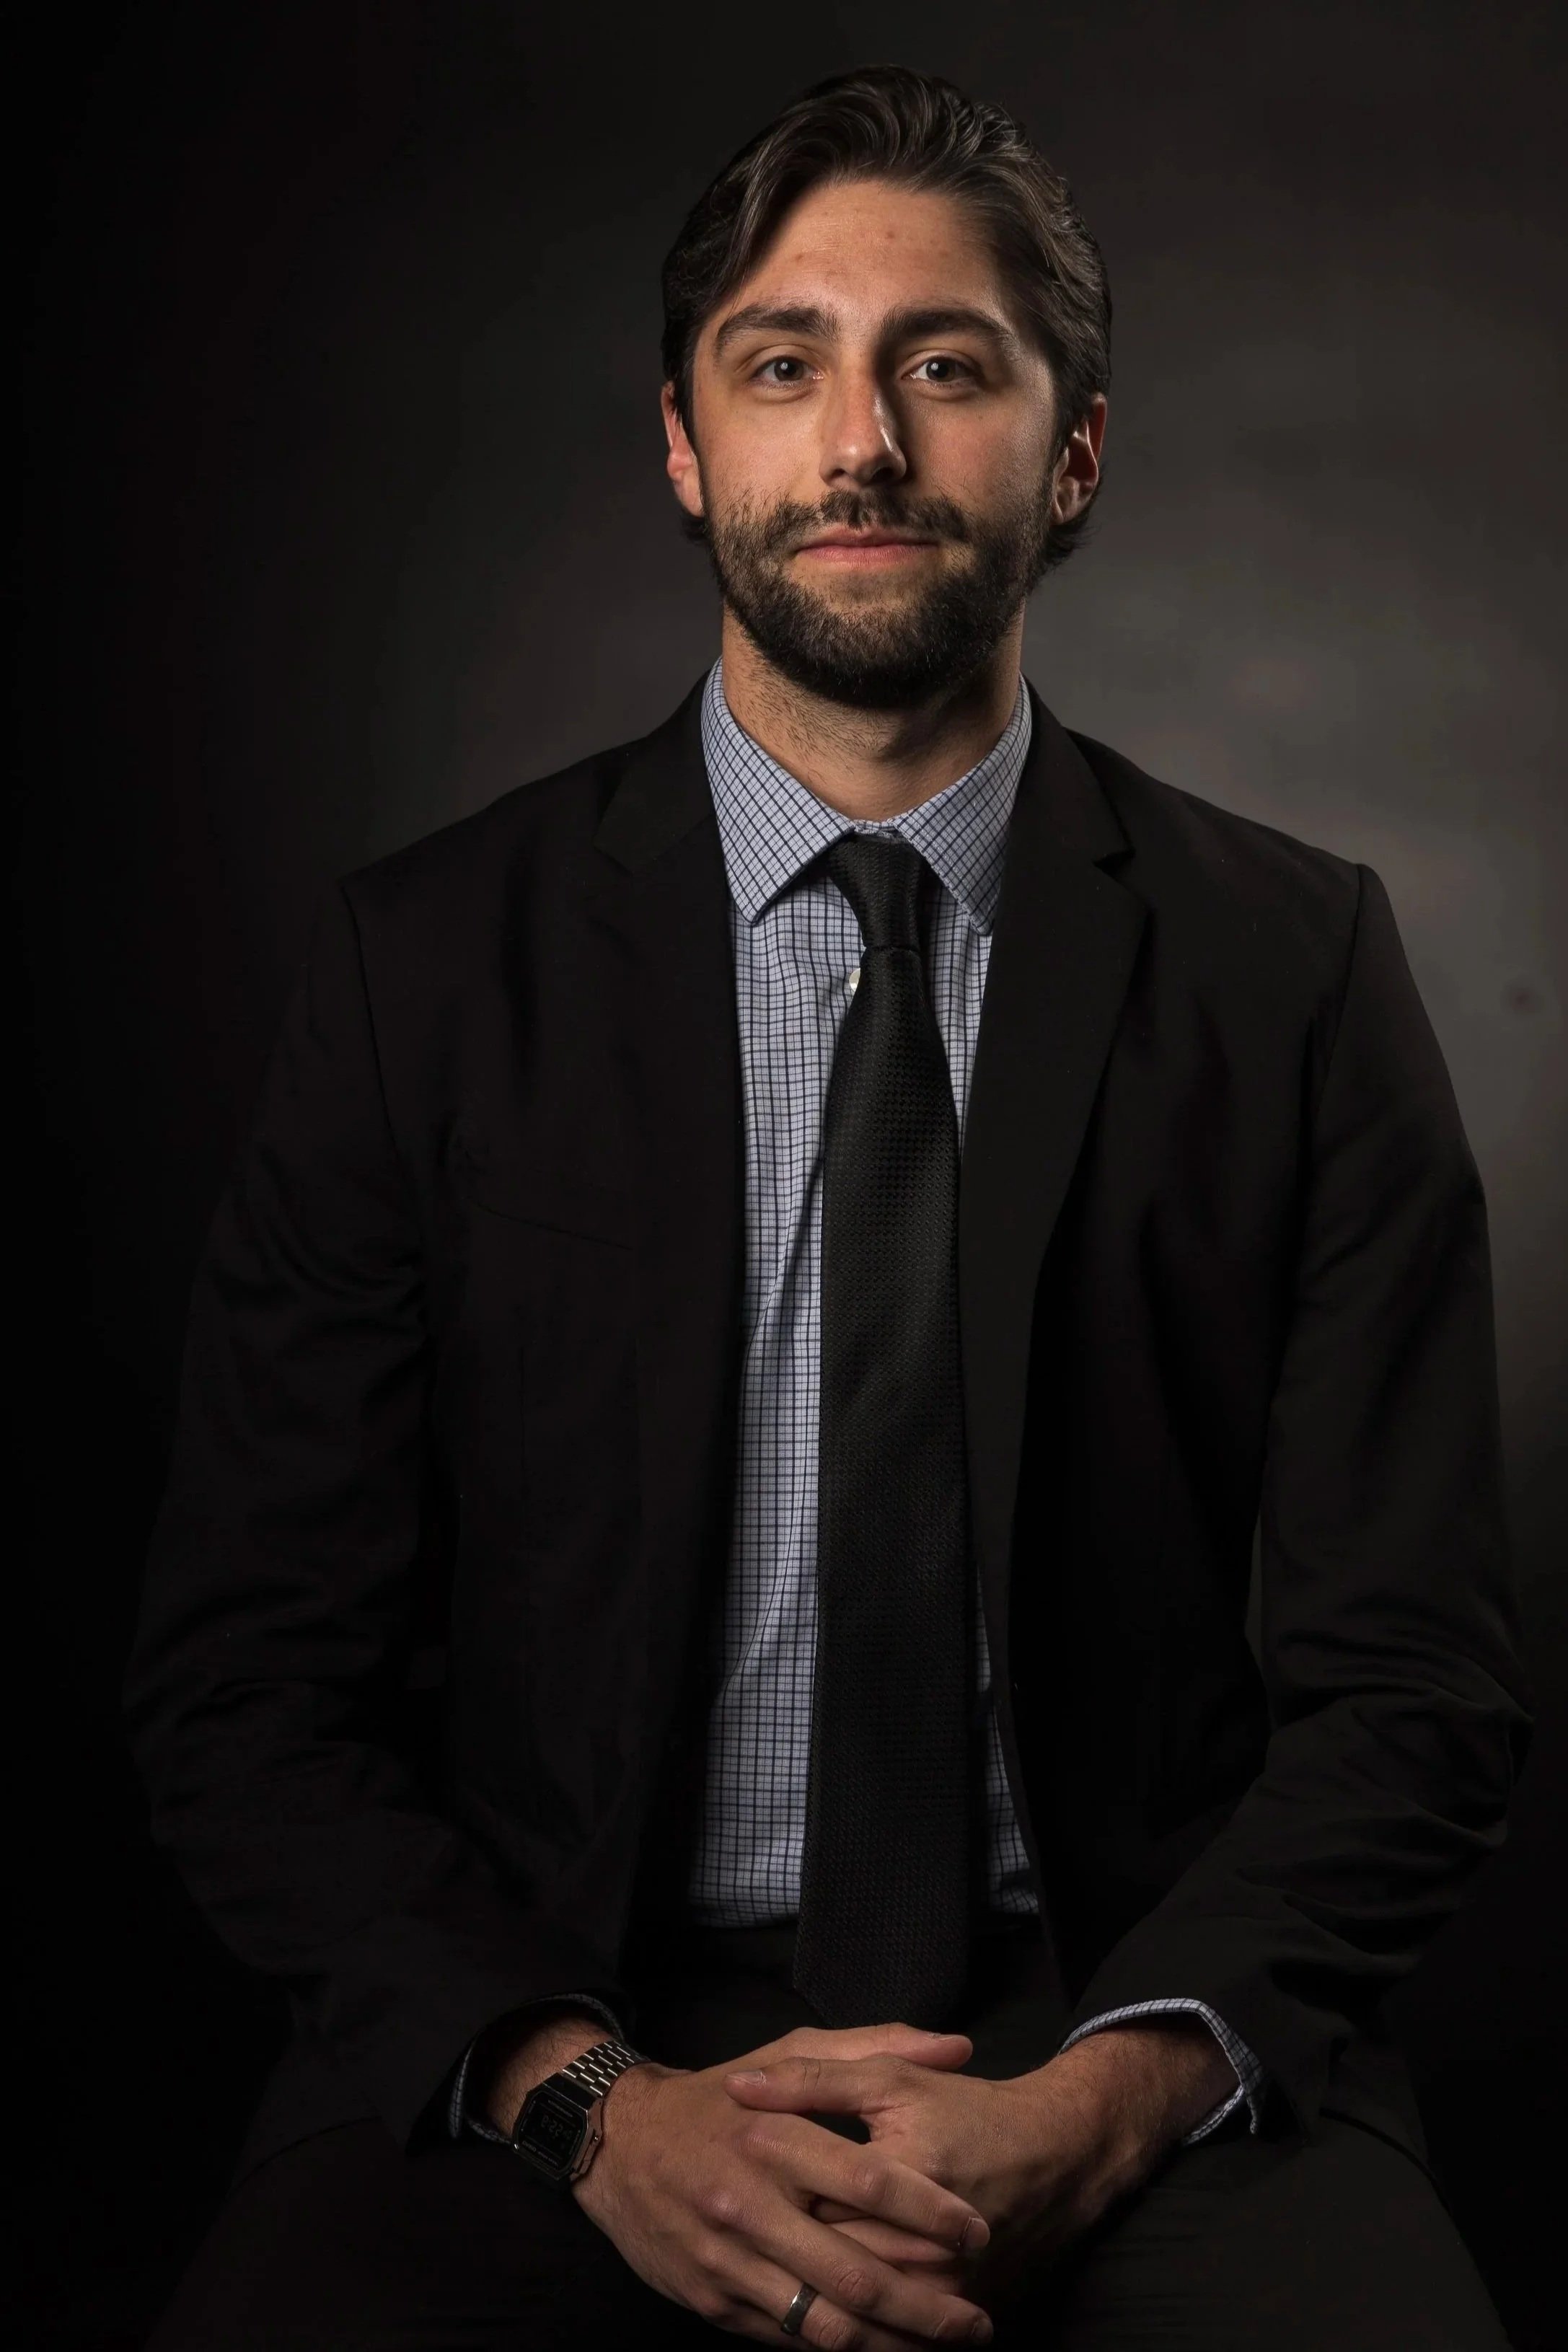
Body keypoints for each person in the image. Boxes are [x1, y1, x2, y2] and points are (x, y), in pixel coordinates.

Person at [127, 62, 1529, 2351]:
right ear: (688, 449)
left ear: (1071, 453)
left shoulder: (1295, 968)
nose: (861, 442)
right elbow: (244, 1691)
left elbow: (1419, 1692)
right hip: (557, 2017)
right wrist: (591, 2104)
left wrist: (1098, 2105)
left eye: (944, 368)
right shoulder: (426, 975)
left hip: (1113, 2007)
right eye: (783, 367)